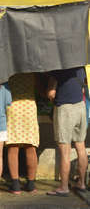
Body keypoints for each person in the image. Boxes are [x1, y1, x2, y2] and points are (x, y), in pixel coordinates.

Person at [46, 67, 87, 196]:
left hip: (65, 109)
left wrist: (50, 97)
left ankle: (64, 187)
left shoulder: (57, 69)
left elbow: (51, 93)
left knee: (65, 151)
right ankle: (81, 183)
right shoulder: (80, 67)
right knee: (81, 146)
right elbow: (82, 88)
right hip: (80, 107)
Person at [6, 73, 39, 194]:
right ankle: (31, 184)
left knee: (13, 147)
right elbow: (39, 88)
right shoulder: (31, 70)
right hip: (29, 108)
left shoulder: (9, 70)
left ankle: (15, 184)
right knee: (30, 146)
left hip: (12, 107)